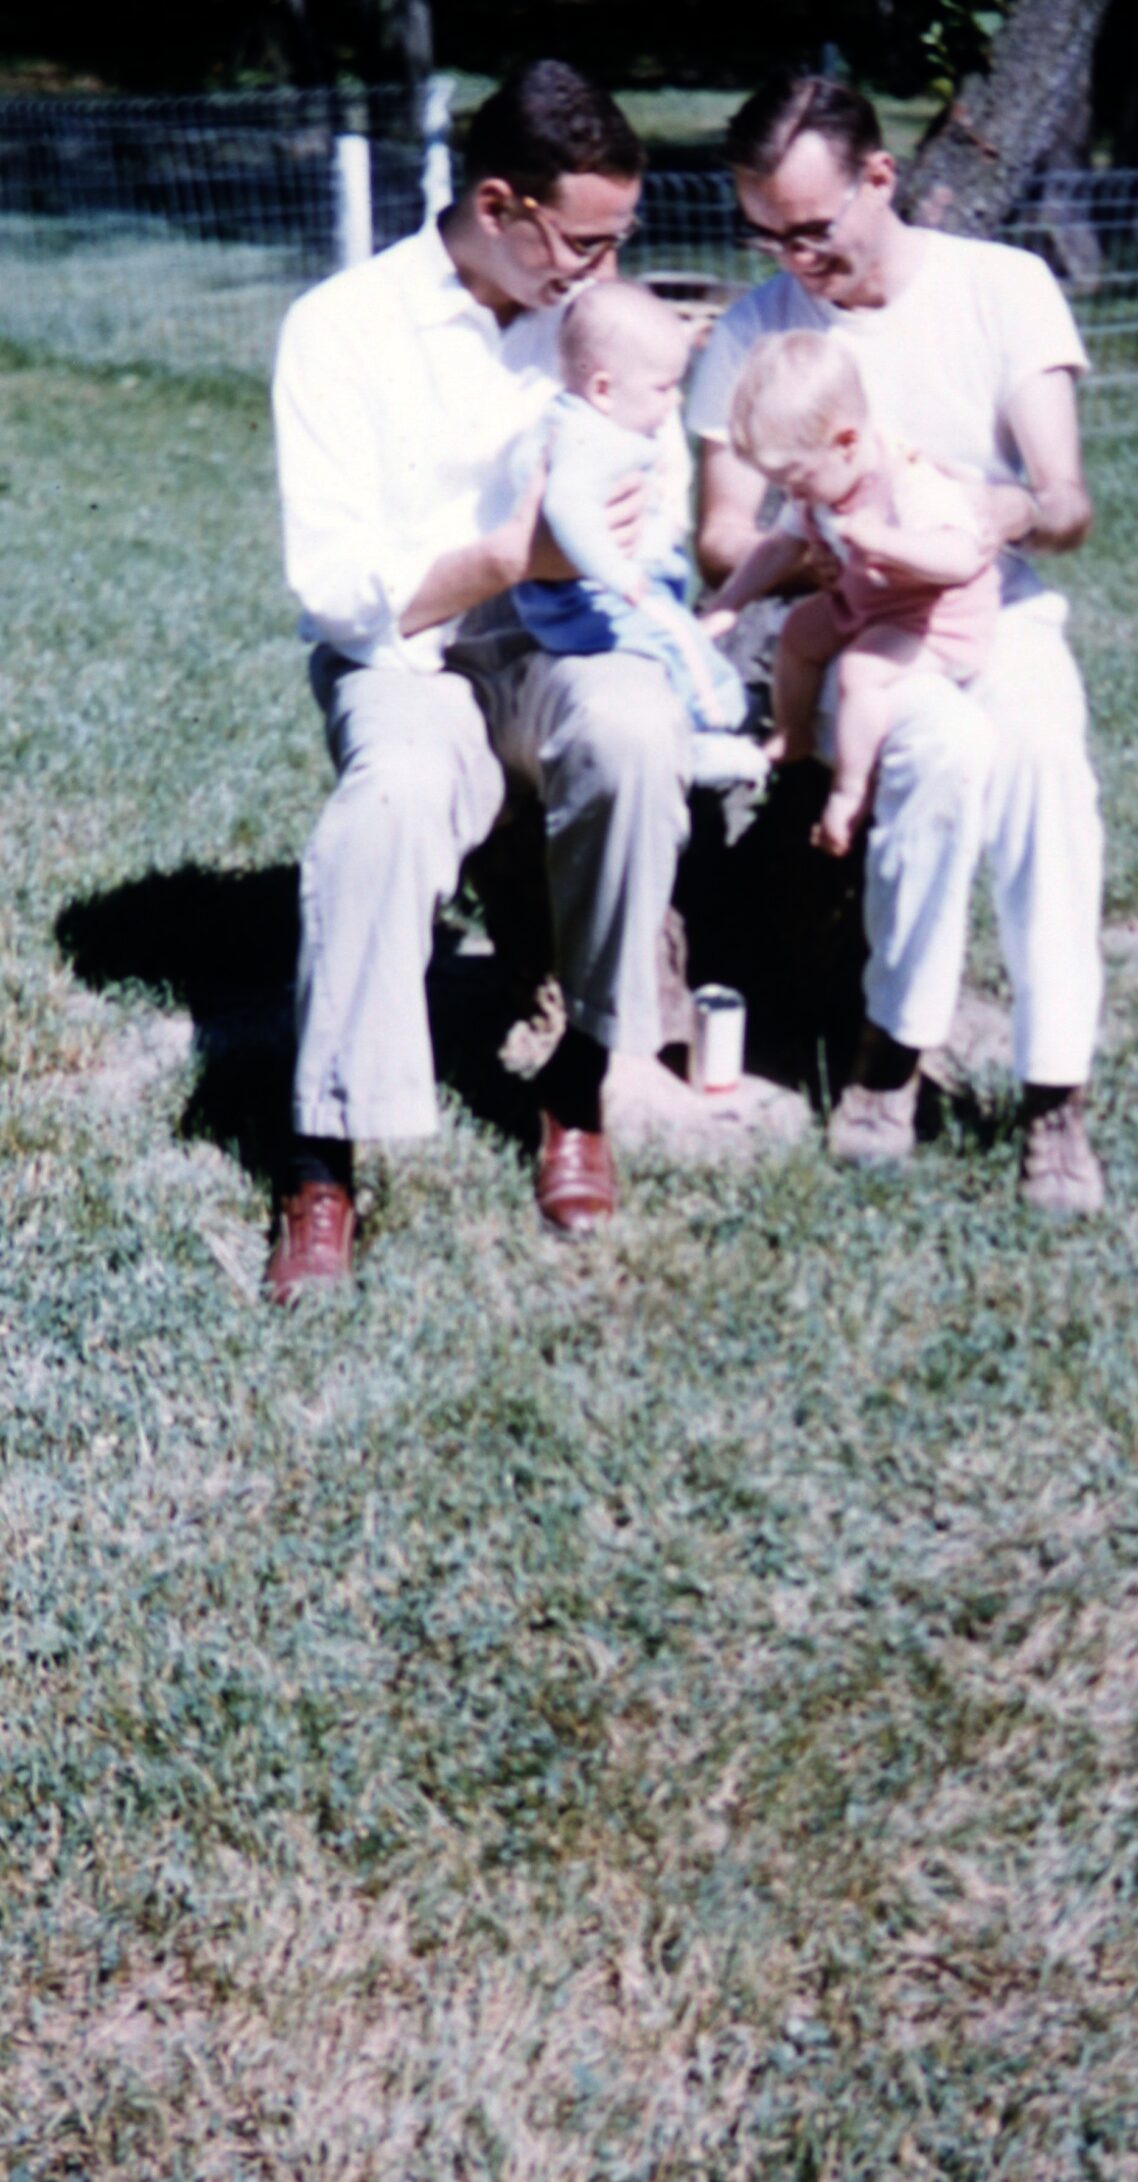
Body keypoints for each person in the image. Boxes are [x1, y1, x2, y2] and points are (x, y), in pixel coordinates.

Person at [266, 61, 691, 1304]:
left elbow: (654, 501)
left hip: (563, 638)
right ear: (499, 205)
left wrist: (585, 560)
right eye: (585, 241)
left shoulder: (593, 319)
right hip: (413, 647)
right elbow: (337, 588)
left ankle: (580, 1079)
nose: (603, 268)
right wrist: (508, 557)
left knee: (637, 731)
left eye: (619, 240)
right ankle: (323, 1153)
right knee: (393, 797)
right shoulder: (344, 326)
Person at [687, 71, 1107, 1214]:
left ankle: (1055, 1092)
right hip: (862, 628)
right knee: (937, 755)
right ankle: (891, 1055)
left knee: (1043, 765)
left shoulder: (1001, 287)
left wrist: (1010, 510)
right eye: (766, 235)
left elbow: (1067, 502)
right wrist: (814, 556)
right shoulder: (757, 327)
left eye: (812, 230)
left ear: (880, 178)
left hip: (990, 604)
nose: (792, 260)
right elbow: (722, 533)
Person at [700, 330, 1000, 857]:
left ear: (845, 443)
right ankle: (792, 732)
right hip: (868, 602)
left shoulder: (910, 480)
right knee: (799, 632)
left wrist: (884, 541)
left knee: (861, 671)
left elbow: (961, 558)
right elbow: (777, 549)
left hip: (937, 619)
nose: (789, 493)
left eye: (794, 478)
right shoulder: (820, 484)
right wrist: (728, 604)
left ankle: (848, 793)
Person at [511, 279, 766, 785]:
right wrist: (618, 573)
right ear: (603, 389)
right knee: (677, 637)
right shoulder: (585, 439)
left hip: (592, 593)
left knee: (669, 643)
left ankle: (697, 723)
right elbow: (566, 508)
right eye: (663, 388)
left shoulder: (578, 419)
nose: (675, 402)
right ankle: (718, 723)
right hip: (591, 596)